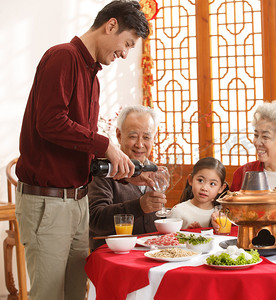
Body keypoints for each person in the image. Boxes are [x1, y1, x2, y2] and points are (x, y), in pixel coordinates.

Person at [14, 2, 152, 299]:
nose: (125, 53)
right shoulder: (63, 56)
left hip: (77, 201)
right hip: (48, 202)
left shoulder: (92, 76)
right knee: (50, 294)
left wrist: (124, 174)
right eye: (127, 43)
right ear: (111, 25)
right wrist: (107, 145)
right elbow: (50, 123)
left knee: (77, 292)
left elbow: (76, 145)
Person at [89, 105, 167, 250]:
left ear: (154, 138)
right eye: (133, 136)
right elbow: (95, 220)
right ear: (119, 135)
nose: (140, 144)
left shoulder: (156, 173)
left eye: (146, 137)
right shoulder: (105, 171)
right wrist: (139, 206)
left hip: (152, 256)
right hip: (113, 258)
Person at [170, 157, 228, 229]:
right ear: (190, 180)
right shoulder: (178, 211)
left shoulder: (222, 214)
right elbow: (168, 237)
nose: (204, 188)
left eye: (212, 184)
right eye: (200, 180)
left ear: (221, 188)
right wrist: (189, 234)